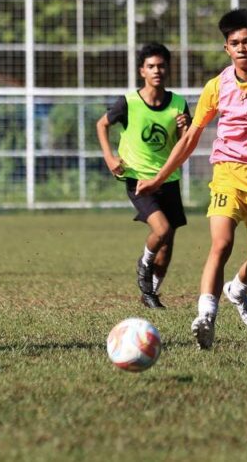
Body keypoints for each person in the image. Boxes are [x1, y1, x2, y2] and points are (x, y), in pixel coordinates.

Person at [135, 8, 247, 350]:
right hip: (228, 173)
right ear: (226, 48)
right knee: (221, 244)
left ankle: (238, 291)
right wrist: (158, 179)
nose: (241, 48)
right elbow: (189, 139)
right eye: (234, 43)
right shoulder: (217, 86)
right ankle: (205, 316)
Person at [96, 43, 190, 310]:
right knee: (162, 229)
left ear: (167, 69)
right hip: (137, 178)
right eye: (151, 66)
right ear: (142, 71)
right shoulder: (128, 102)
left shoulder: (179, 104)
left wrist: (185, 129)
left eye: (161, 66)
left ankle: (151, 293)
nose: (156, 70)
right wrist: (110, 158)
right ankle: (144, 265)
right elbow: (101, 124)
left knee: (168, 243)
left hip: (168, 180)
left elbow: (184, 146)